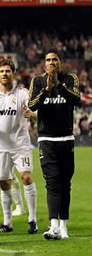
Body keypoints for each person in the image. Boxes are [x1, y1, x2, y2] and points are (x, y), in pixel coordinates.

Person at [28, 49, 80, 240]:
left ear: (60, 62)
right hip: (46, 139)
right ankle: (54, 226)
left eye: (55, 59)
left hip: (66, 138)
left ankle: (64, 227)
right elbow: (32, 105)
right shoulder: (38, 81)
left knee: (66, 183)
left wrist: (58, 85)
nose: (51, 62)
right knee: (52, 182)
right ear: (44, 63)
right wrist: (47, 90)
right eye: (48, 60)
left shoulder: (70, 79)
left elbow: (76, 100)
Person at [0, 60, 38, 234]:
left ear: (13, 74)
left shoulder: (22, 94)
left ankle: (32, 219)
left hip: (20, 144)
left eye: (8, 71)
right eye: (2, 71)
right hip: (0, 146)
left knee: (26, 178)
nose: (5, 74)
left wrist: (32, 114)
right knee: (3, 182)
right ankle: (7, 223)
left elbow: (36, 112)